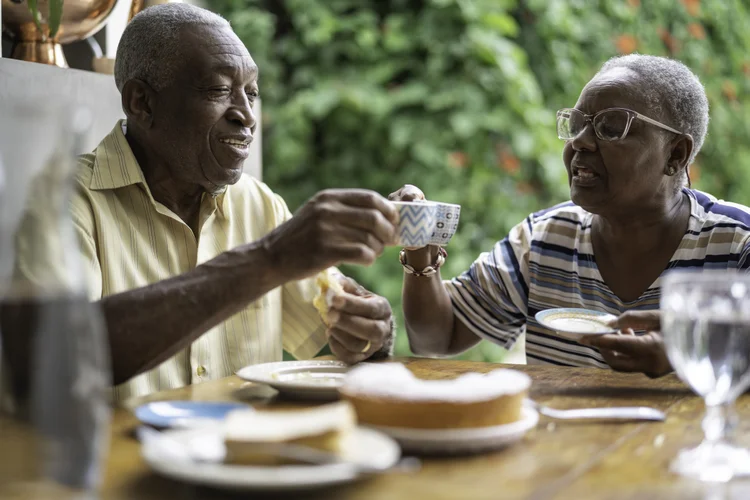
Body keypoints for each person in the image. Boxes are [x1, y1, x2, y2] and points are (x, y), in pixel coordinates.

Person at [3, 3, 398, 402]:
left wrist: (370, 332)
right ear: (142, 102)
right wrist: (264, 261)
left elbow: (339, 332)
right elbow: (50, 358)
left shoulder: (259, 204)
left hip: (246, 457)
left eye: (252, 93)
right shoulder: (63, 202)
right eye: (218, 90)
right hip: (125, 461)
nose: (246, 115)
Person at [391, 54, 750, 378]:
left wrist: (688, 350)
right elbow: (437, 337)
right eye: (577, 123)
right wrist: (419, 244)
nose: (580, 141)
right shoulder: (545, 239)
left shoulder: (737, 245)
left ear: (675, 154)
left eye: (611, 127)